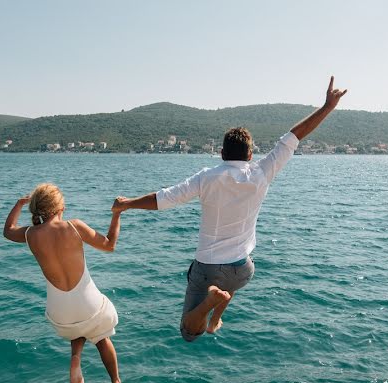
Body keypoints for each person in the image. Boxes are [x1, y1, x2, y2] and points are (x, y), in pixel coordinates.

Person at [112, 76, 347, 342]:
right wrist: (327, 107)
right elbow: (294, 137)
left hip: (208, 267)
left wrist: (127, 204)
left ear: (222, 153)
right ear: (250, 155)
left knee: (189, 331)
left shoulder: (207, 177)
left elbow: (163, 199)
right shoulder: (262, 172)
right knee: (230, 282)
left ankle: (209, 306)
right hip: (243, 269)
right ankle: (216, 317)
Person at [3, 183, 126, 383]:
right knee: (100, 336)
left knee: (75, 325)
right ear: (60, 207)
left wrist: (19, 203)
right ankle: (115, 381)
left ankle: (75, 357)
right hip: (90, 307)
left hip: (59, 313)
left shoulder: (30, 234)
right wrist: (117, 215)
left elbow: (7, 231)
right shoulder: (74, 227)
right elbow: (109, 245)